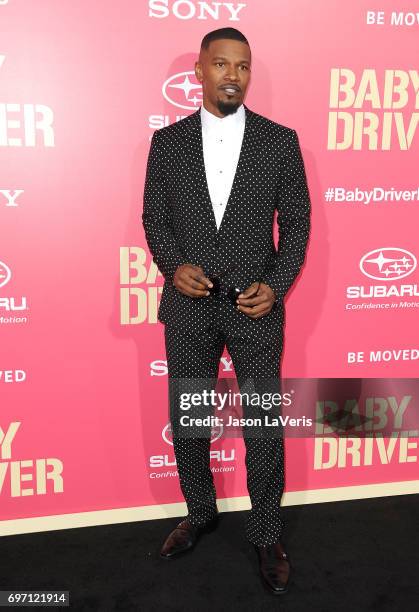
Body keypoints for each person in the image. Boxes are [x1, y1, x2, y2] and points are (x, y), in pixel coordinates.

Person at [142, 27, 311, 595]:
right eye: (221, 64)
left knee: (262, 423)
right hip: (189, 307)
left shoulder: (279, 142)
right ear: (199, 70)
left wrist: (277, 283)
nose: (232, 75)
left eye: (242, 66)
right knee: (191, 418)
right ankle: (200, 512)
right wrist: (171, 265)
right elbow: (154, 219)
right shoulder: (167, 145)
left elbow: (298, 229)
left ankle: (266, 532)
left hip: (255, 307)